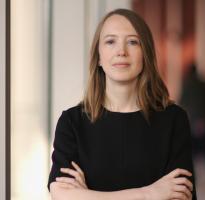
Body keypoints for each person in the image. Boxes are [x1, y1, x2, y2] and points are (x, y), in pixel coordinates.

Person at [48, 8, 196, 200]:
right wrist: (149, 193)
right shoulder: (72, 122)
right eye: (110, 41)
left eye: (133, 42)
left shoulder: (174, 120)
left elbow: (180, 195)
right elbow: (61, 194)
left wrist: (86, 195)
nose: (121, 52)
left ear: (145, 54)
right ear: (98, 57)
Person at [180, 63, 205, 186]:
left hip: (191, 124)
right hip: (204, 124)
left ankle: (192, 179)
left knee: (192, 154)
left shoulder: (187, 86)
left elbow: (182, 105)